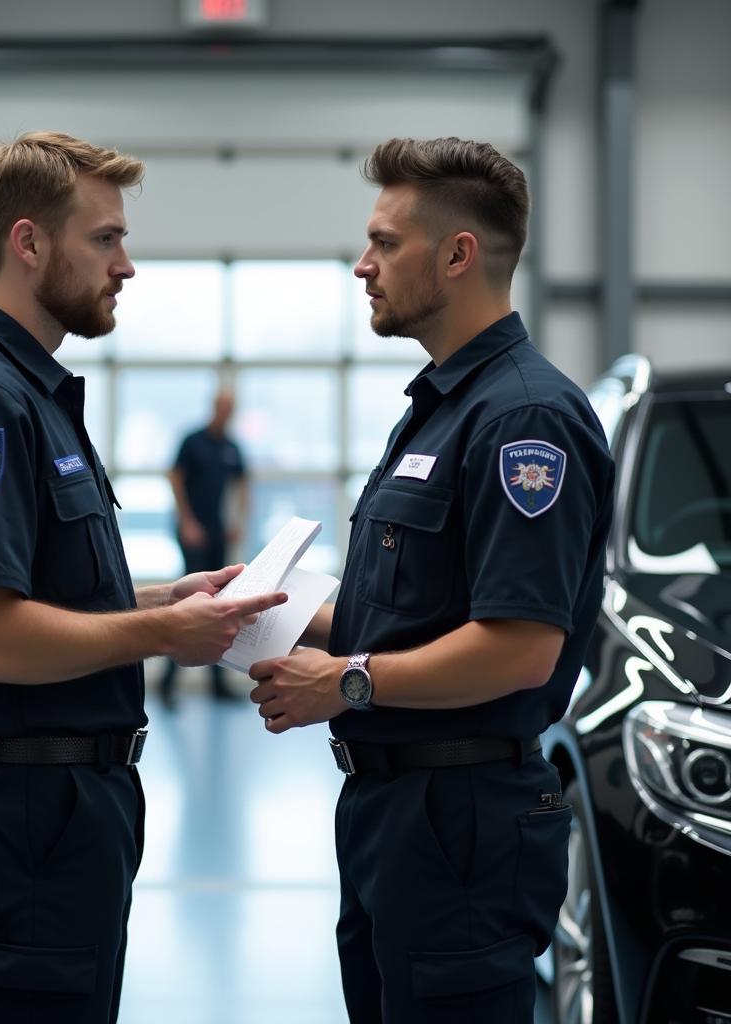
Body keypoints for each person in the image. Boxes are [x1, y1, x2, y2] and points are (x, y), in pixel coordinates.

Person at [0, 131, 285, 1024]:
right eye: (105, 239)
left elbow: (30, 595)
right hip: (31, 813)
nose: (126, 264)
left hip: (63, 807)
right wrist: (157, 635)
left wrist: (158, 600)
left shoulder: (26, 391)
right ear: (28, 243)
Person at [248, 137, 614, 1023]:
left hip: (463, 826)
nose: (362, 266)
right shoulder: (444, 409)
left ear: (458, 255)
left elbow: (521, 648)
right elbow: (412, 613)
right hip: (396, 815)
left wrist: (348, 681)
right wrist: (262, 613)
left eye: (384, 243)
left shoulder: (524, 418)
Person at [159, 390, 248, 706]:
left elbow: (243, 484)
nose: (226, 413)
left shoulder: (232, 448)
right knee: (187, 600)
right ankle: (168, 684)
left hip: (217, 531)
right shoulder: (192, 441)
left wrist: (237, 522)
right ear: (213, 408)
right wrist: (187, 521)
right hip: (193, 531)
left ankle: (217, 684)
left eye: (231, 409)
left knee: (220, 602)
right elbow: (175, 478)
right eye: (222, 408)